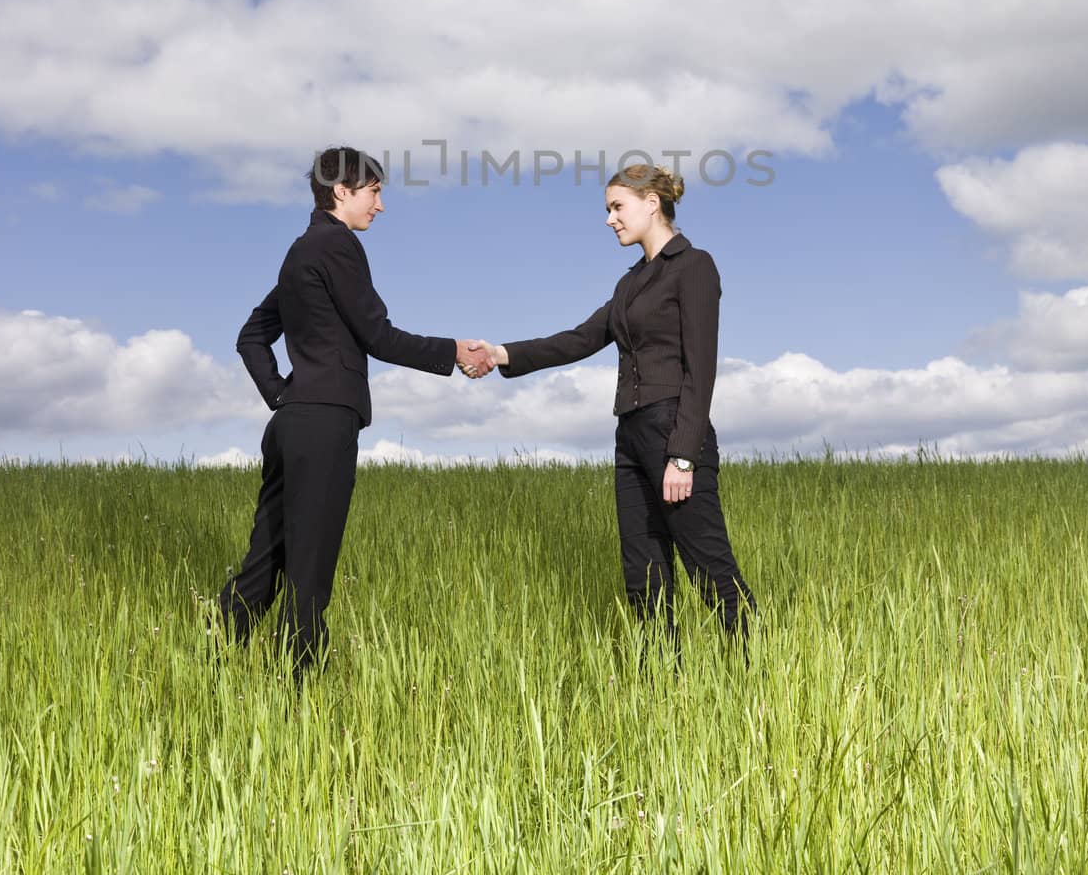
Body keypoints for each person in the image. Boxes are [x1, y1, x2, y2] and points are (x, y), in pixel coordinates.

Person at [217, 145, 490, 674]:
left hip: (290, 422)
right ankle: (301, 695)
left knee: (266, 559)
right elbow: (377, 335)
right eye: (374, 192)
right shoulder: (338, 246)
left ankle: (208, 663)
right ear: (341, 191)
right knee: (310, 568)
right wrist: (452, 350)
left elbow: (251, 337)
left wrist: (281, 395)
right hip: (323, 424)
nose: (380, 205)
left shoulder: (301, 252)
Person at [477, 164, 754, 649]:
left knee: (709, 568)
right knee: (643, 575)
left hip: (673, 431)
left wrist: (683, 454)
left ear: (652, 204)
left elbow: (701, 366)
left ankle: (761, 670)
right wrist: (502, 354)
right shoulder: (629, 285)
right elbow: (581, 339)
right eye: (608, 209)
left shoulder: (694, 266)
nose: (609, 219)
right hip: (631, 437)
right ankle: (660, 684)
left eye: (616, 207)